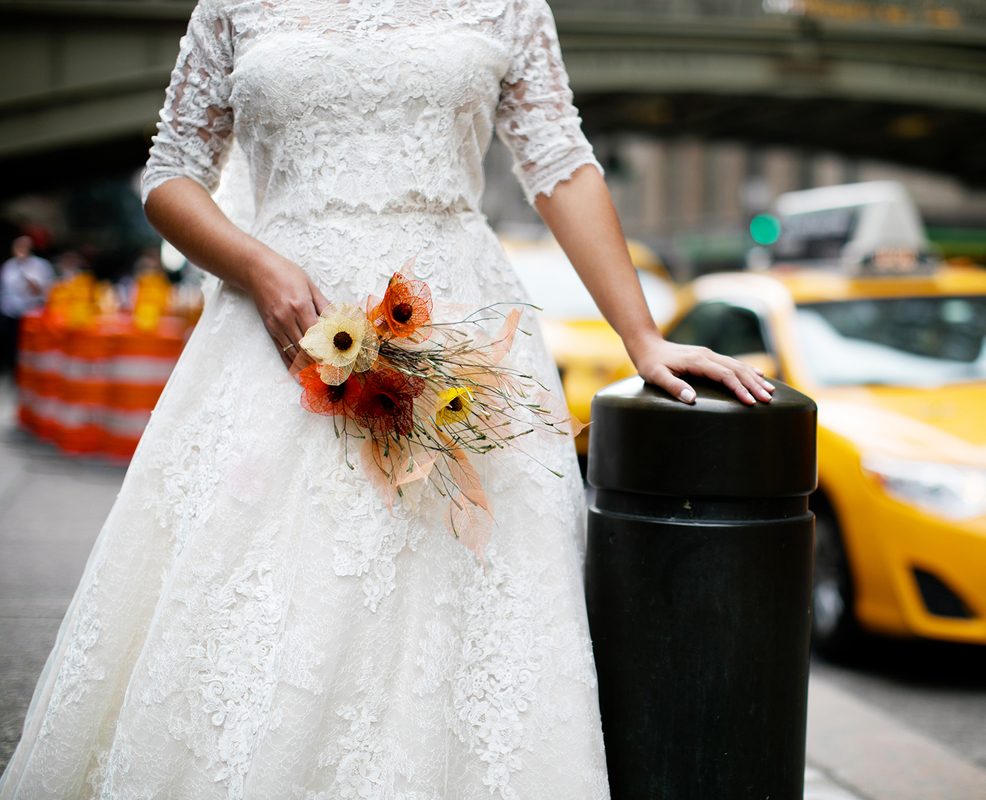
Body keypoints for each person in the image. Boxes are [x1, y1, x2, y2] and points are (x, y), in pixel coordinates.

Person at [0, 2, 772, 798]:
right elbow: (171, 174)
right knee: (261, 614)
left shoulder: (510, 5)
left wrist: (641, 336)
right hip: (277, 352)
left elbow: (559, 164)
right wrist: (259, 267)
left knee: (457, 630)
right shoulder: (231, 5)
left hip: (457, 353)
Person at [0, 235, 55, 375]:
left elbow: (42, 290)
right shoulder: (8, 266)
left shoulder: (40, 265)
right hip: (10, 314)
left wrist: (24, 271)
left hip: (31, 315)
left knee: (31, 349)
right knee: (10, 347)